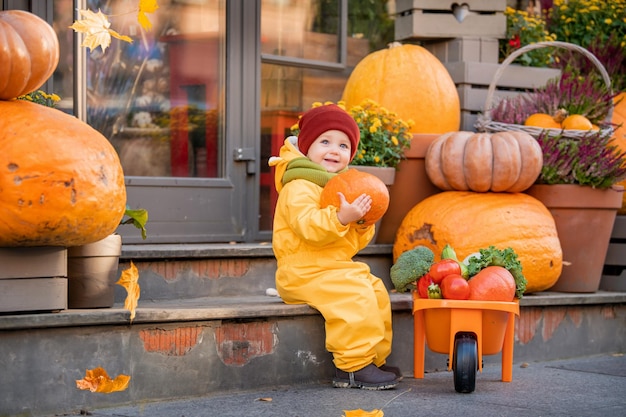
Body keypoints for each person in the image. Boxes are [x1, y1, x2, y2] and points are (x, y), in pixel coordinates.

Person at [268, 103, 400, 390]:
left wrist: (361, 224)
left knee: (374, 287)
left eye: (343, 145)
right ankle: (351, 367)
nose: (334, 150)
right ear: (307, 146)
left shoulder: (341, 186)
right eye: (324, 141)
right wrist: (341, 217)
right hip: (301, 271)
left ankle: (371, 359)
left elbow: (348, 244)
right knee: (353, 294)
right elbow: (310, 227)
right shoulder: (298, 185)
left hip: (330, 267)